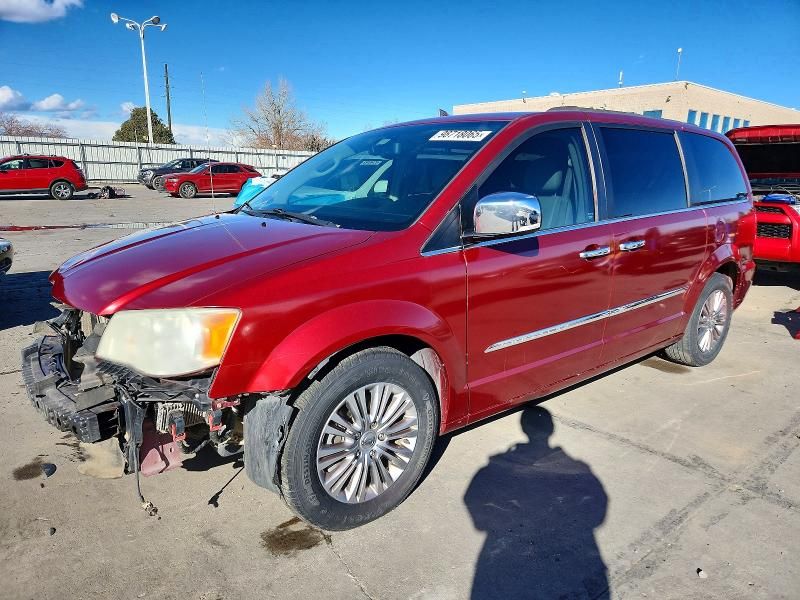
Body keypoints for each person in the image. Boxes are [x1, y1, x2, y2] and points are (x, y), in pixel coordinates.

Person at [465, 406, 609, 599]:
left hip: (501, 553)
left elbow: (472, 496)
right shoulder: (577, 468)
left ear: (524, 428)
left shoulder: (495, 466)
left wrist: (486, 522)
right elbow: (599, 502)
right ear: (551, 430)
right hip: (566, 553)